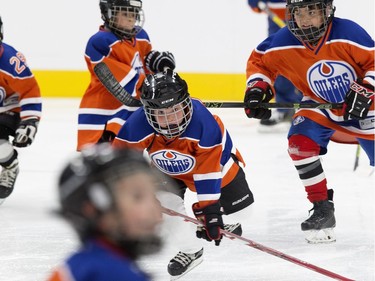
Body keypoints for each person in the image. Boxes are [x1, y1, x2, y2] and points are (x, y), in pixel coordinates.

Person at [244, 0, 374, 243]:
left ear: (326, 11)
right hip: (318, 104)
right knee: (299, 144)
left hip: (365, 108)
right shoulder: (282, 40)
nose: (304, 19)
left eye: (311, 11)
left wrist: (366, 87)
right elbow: (260, 63)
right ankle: (322, 208)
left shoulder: (348, 32)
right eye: (299, 12)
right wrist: (258, 89)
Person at [112, 69, 254, 279]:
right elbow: (120, 162)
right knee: (165, 209)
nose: (170, 120)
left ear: (186, 104)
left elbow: (208, 171)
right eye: (161, 114)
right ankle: (191, 250)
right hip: (166, 169)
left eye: (175, 110)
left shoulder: (205, 124)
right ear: (149, 112)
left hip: (217, 167)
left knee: (243, 212)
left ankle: (218, 214)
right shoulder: (138, 123)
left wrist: (211, 211)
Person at [48, 143, 164, 281]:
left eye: (153, 195)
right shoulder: (107, 273)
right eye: (137, 197)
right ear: (93, 210)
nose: (154, 211)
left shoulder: (84, 264)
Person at [77, 0, 176, 151]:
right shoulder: (99, 42)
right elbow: (121, 79)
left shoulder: (141, 36)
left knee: (133, 157)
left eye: (134, 14)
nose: (131, 18)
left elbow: (144, 61)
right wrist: (156, 88)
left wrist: (158, 63)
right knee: (103, 162)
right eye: (125, 14)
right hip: (105, 112)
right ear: (109, 14)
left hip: (132, 106)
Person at [0, 16, 42, 204]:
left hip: (10, 109)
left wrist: (30, 120)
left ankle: (10, 165)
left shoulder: (10, 61)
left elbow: (30, 89)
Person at [247, 0, 302, 132]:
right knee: (278, 61)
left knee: (305, 61)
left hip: (305, 14)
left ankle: (307, 108)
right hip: (276, 16)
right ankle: (284, 109)